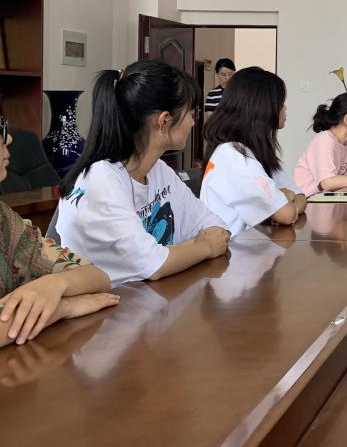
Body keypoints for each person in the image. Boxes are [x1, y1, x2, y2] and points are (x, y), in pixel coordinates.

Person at [54, 61, 230, 286]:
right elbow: (155, 265)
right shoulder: (101, 179)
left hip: (155, 296)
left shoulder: (159, 170)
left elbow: (217, 227)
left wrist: (176, 253)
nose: (193, 122)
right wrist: (204, 246)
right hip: (111, 304)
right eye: (190, 113)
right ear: (164, 121)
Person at [0, 122, 118, 347]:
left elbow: (97, 277)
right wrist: (63, 308)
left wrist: (55, 285)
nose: (9, 139)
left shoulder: (4, 220)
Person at [201, 67, 306, 235]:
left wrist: (286, 200)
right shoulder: (234, 156)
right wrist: (284, 200)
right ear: (263, 107)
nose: (285, 108)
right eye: (281, 103)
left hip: (254, 243)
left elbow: (300, 195)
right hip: (233, 249)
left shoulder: (254, 151)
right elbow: (287, 215)